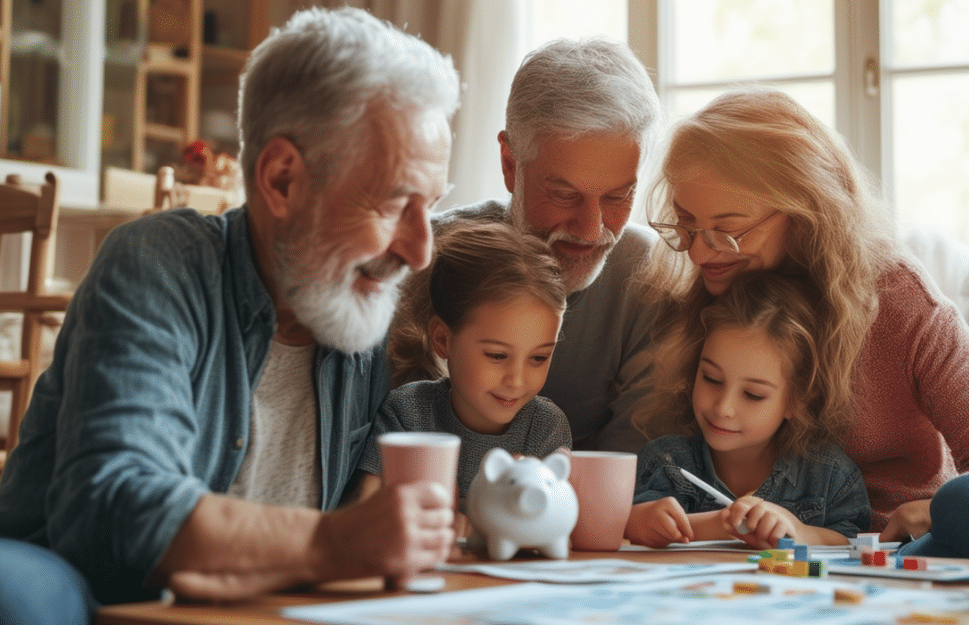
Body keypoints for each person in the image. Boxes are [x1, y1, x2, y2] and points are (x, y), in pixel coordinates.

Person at [0, 6, 461, 623]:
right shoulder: (160, 263)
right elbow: (117, 508)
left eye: (431, 207)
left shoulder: (356, 309)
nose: (418, 249)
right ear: (281, 180)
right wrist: (330, 543)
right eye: (393, 204)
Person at [640, 86, 969, 581]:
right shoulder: (708, 301)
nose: (702, 251)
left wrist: (938, 509)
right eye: (686, 224)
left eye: (728, 230)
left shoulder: (896, 296)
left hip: (911, 542)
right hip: (847, 561)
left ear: (806, 209)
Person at [412, 37, 662, 453]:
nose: (589, 229)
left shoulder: (648, 273)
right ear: (510, 164)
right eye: (564, 194)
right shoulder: (428, 257)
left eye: (618, 197)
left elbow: (629, 473)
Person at [626, 272, 869, 549]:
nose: (723, 408)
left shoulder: (827, 475)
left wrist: (798, 531)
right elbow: (627, 525)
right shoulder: (667, 462)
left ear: (797, 400)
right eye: (711, 379)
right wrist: (641, 521)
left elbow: (855, 543)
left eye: (753, 395)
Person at [360, 221, 572, 505]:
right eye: (497, 356)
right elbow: (365, 510)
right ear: (443, 340)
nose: (517, 380)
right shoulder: (406, 414)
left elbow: (557, 519)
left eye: (538, 358)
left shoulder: (545, 427)